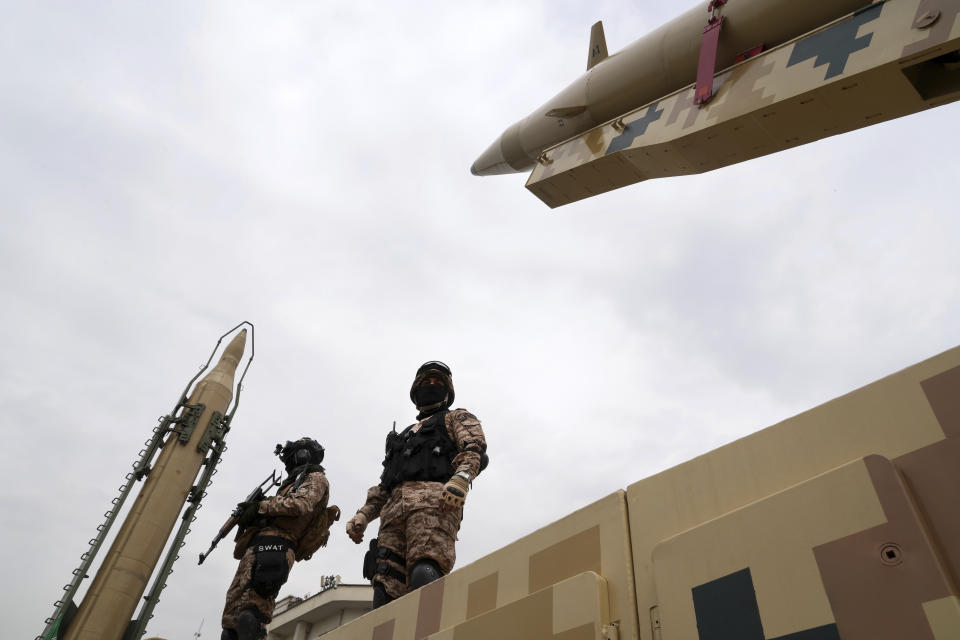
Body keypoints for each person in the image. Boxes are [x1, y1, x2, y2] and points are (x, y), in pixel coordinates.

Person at [346, 361, 487, 608]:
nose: (432, 387)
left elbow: (474, 448)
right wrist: (364, 515)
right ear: (415, 390)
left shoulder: (456, 418)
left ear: (448, 391)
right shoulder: (404, 435)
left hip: (435, 503)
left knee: (425, 569)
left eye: (439, 383)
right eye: (426, 383)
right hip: (392, 513)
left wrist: (462, 478)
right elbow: (386, 482)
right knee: (385, 587)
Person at [221, 438, 333, 640]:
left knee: (251, 616)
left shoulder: (316, 478)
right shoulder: (289, 485)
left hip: (278, 545)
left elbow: (301, 505)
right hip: (255, 547)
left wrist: (261, 507)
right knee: (231, 627)